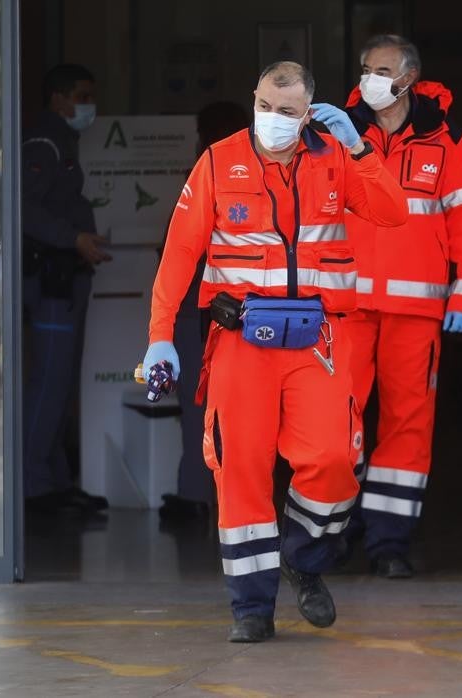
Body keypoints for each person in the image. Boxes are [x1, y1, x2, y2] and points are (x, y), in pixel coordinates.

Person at [140, 61, 407, 643]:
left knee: (337, 460)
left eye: (287, 112)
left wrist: (360, 147)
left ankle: (303, 560)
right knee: (240, 471)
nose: (273, 120)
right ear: (253, 99)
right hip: (240, 341)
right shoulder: (218, 159)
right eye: (265, 106)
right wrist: (162, 332)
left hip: (318, 341)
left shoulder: (335, 155)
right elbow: (180, 253)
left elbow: (392, 212)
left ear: (308, 113)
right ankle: (251, 607)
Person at [338, 35, 462, 579]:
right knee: (336, 419)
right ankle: (332, 530)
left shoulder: (446, 137)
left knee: (407, 425)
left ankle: (388, 541)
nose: (369, 78)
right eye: (364, 69)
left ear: (408, 78)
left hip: (416, 310)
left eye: (380, 69)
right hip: (346, 305)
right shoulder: (338, 130)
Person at [22, 63, 113, 517]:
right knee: (49, 384)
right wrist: (73, 238)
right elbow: (23, 208)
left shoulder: (60, 138)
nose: (88, 105)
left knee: (60, 386)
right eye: (81, 95)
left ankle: (55, 480)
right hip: (52, 279)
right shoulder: (43, 139)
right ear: (58, 98)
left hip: (68, 277)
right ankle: (34, 488)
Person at [158, 101, 251, 526]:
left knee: (203, 409)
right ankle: (210, 497)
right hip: (245, 315)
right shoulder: (249, 177)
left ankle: (198, 496)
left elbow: (178, 252)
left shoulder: (207, 177)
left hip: (207, 313)